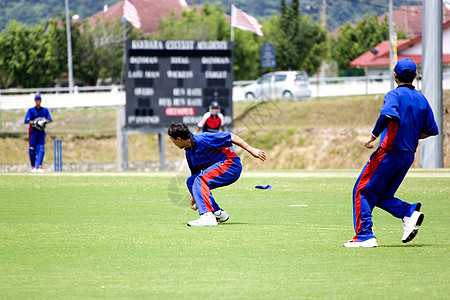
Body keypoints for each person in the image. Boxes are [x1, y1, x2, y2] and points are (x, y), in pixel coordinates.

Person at [344, 58, 439, 248]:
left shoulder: (394, 95)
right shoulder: (421, 98)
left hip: (389, 153)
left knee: (362, 190)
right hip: (407, 155)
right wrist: (409, 136)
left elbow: (388, 115)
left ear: (394, 75)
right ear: (414, 76)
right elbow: (430, 130)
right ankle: (409, 212)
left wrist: (372, 136)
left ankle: (364, 236)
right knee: (381, 195)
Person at [168, 122, 266, 227]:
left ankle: (207, 217)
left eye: (172, 140)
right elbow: (195, 174)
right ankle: (217, 213)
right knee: (191, 180)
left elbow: (230, 136)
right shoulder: (188, 152)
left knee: (200, 180)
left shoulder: (202, 138)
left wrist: (252, 150)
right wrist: (194, 195)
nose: (173, 143)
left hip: (231, 164)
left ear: (179, 139)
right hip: (222, 167)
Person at [24, 94, 53, 173]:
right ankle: (33, 166)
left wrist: (43, 121)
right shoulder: (31, 110)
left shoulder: (44, 111)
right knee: (32, 149)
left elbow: (50, 120)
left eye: (39, 100)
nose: (38, 101)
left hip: (41, 132)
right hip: (33, 132)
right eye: (37, 100)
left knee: (41, 148)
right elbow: (26, 121)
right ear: (35, 101)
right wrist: (34, 122)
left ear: (41, 101)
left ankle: (39, 166)